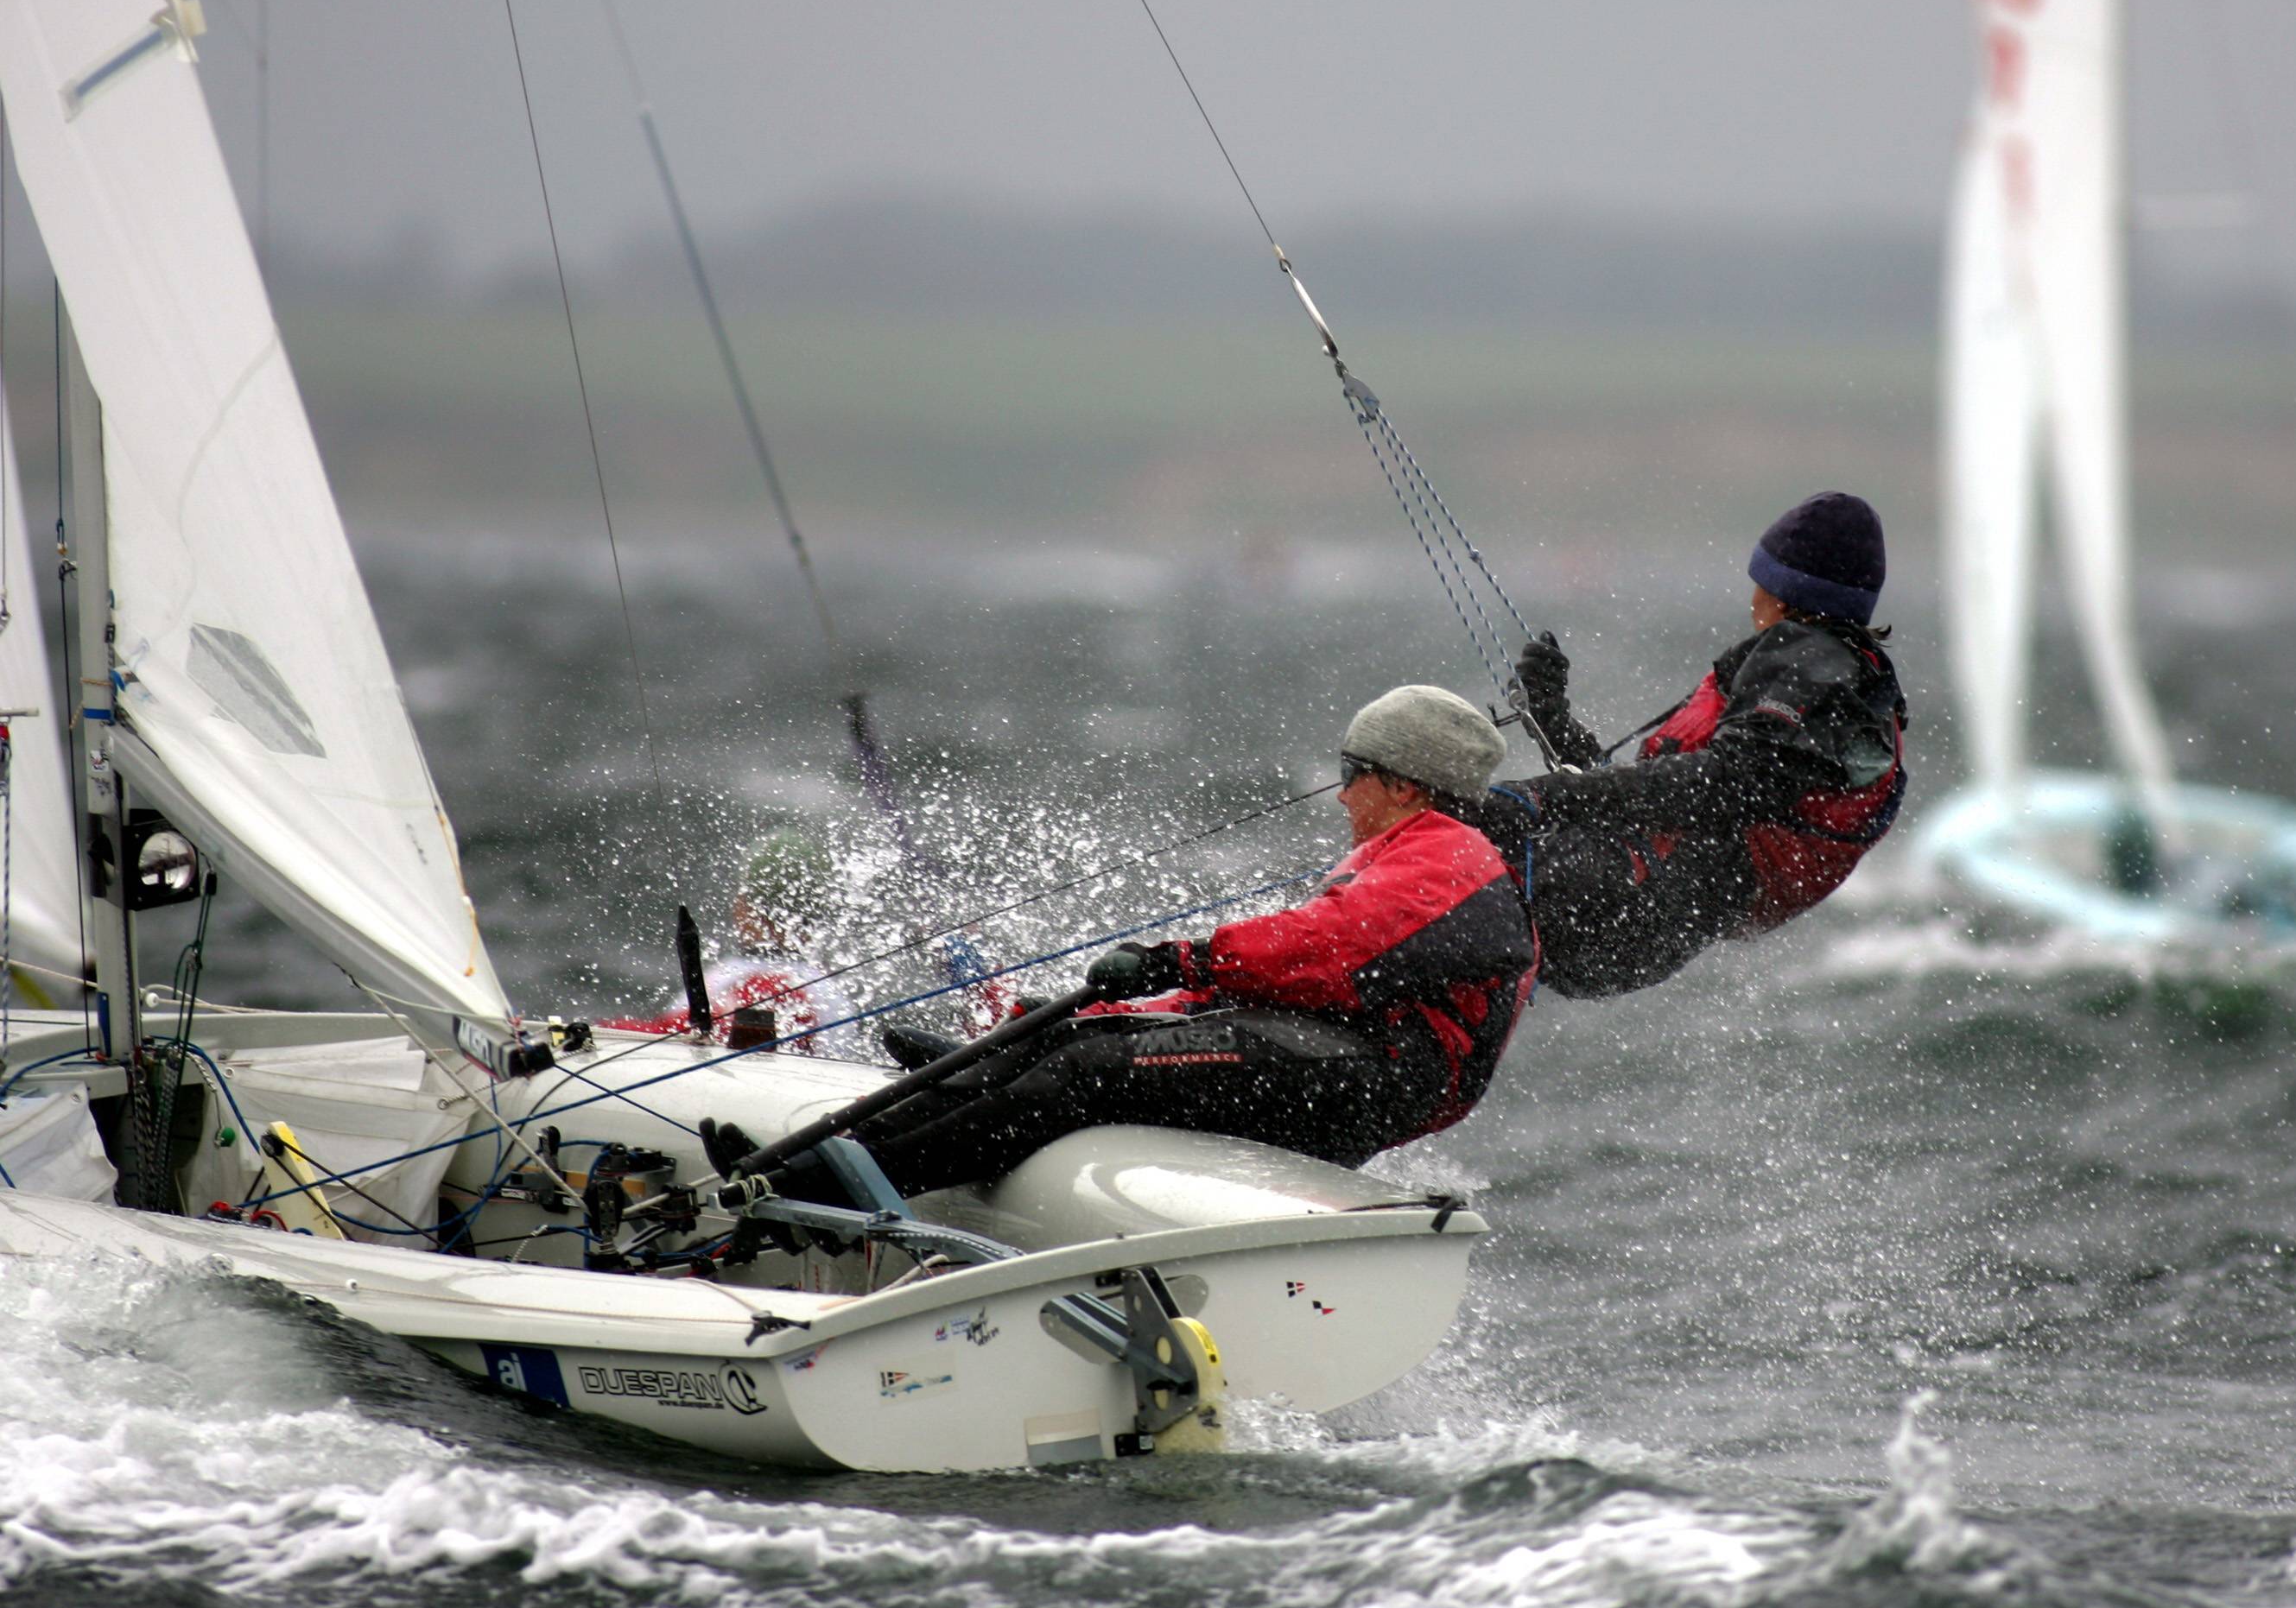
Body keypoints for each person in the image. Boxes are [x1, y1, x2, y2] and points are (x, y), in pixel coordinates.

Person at [807, 685, 1538, 1200]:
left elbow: (1322, 951)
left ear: (1405, 786)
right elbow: (1294, 978)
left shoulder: (1449, 858)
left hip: (1376, 1080)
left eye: (1353, 774)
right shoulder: (1407, 852)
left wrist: (1179, 959)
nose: (1341, 792)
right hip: (1334, 1048)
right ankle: (835, 1153)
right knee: (1067, 1037)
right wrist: (1123, 1006)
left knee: (1085, 1071)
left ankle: (852, 1183)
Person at [1468, 491, 1908, 997]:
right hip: (1638, 924)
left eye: (1758, 583)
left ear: (1781, 595)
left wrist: (1541, 797)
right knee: (1457, 838)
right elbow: (1667, 804)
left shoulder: (1807, 664)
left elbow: (1725, 786)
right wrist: (1553, 718)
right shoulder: (1845, 681)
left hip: (1623, 911)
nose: (1751, 600)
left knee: (1441, 833)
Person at [606, 826, 847, 1051]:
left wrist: (596, 1035)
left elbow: (673, 1040)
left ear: (744, 907)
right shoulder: (831, 993)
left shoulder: (773, 986)